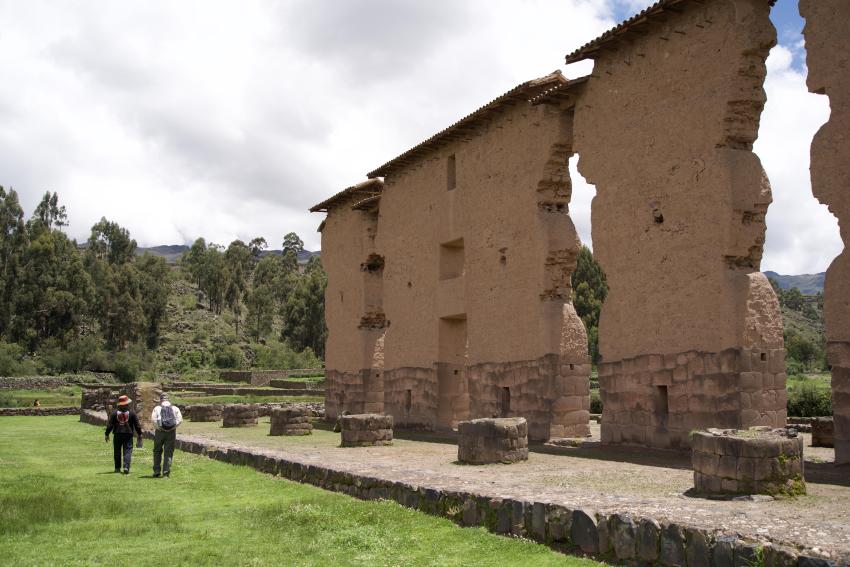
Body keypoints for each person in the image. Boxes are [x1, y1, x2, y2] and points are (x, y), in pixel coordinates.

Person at [105, 395, 143, 474]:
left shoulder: (114, 413)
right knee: (128, 451)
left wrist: (107, 434)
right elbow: (137, 425)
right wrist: (140, 434)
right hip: (128, 435)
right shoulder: (132, 413)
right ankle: (126, 467)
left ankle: (117, 468)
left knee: (117, 451)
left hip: (117, 434)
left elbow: (110, 425)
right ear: (126, 404)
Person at [151, 393, 182, 478]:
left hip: (159, 432)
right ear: (168, 400)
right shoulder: (175, 408)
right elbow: (179, 420)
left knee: (157, 451)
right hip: (171, 433)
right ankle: (166, 473)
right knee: (168, 452)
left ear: (161, 400)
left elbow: (153, 420)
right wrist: (172, 428)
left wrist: (159, 428)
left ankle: (156, 471)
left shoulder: (157, 408)